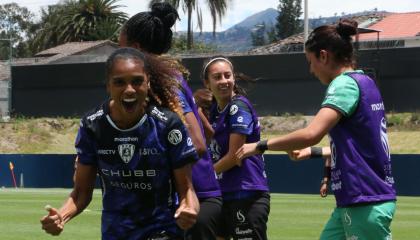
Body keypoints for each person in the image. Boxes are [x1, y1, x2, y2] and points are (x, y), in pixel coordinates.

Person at [236, 19, 396, 240]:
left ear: (323, 55)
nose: (311, 70)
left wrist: (260, 145)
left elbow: (312, 134)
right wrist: (310, 152)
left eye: (310, 61)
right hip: (356, 200)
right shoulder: (365, 81)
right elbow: (359, 146)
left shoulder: (344, 85)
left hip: (365, 200)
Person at [40, 48, 200, 240]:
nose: (130, 89)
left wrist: (188, 208)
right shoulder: (93, 125)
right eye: (119, 82)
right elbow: (82, 193)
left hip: (161, 229)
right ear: (108, 85)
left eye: (137, 81)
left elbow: (187, 189)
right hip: (116, 232)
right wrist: (62, 217)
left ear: (147, 82)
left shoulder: (167, 125)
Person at [119, 3, 222, 240]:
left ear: (135, 49)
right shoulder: (161, 81)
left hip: (194, 200)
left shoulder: (166, 83)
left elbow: (197, 143)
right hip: (180, 200)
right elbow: (206, 130)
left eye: (120, 47)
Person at [200, 56, 270, 240]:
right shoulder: (216, 110)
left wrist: (204, 174)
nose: (224, 81)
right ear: (207, 83)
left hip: (246, 192)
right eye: (217, 77)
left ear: (234, 78)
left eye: (227, 75)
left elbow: (235, 156)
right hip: (224, 193)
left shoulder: (238, 107)